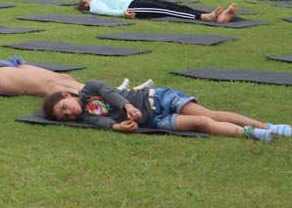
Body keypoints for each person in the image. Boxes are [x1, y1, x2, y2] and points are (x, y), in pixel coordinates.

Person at [42, 80, 291, 141]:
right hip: (157, 121)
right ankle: (250, 133)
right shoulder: (87, 117)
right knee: (202, 124)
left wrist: (127, 106)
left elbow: (110, 93)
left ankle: (267, 125)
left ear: (67, 95)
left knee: (210, 114)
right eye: (65, 116)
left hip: (157, 99)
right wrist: (117, 126)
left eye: (65, 107)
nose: (70, 113)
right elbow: (101, 124)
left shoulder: (89, 89)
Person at [78, 0, 239, 23]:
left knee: (173, 5)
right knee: (167, 11)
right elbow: (103, 11)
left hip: (138, 0)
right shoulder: (93, 4)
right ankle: (204, 17)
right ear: (86, 3)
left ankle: (215, 15)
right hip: (133, 7)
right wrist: (122, 13)